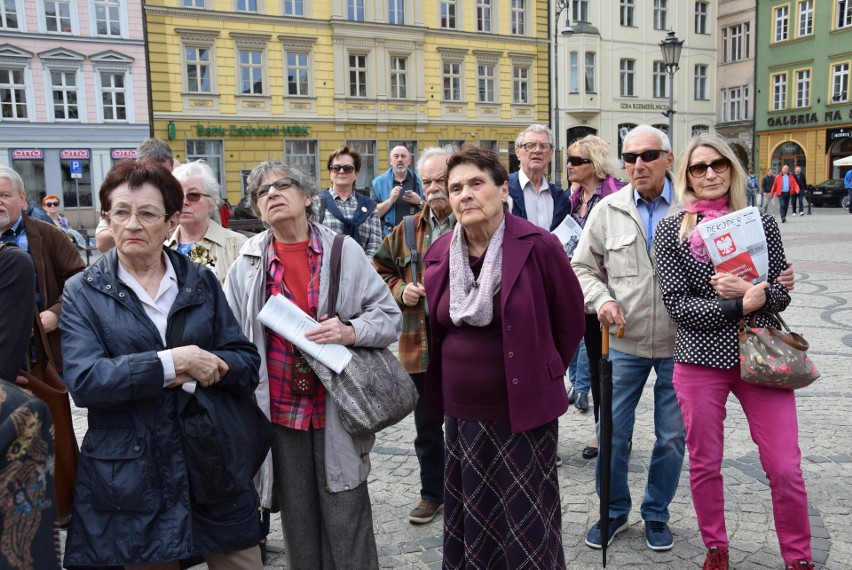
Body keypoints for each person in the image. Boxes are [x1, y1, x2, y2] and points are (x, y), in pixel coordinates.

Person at [59, 160, 264, 568]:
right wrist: (173, 363)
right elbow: (85, 381)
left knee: (242, 560)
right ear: (107, 218)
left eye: (147, 213)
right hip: (133, 473)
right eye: (121, 212)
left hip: (210, 459)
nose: (132, 224)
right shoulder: (82, 291)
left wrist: (210, 364)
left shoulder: (199, 280)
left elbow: (245, 361)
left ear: (171, 221)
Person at [224, 159, 401, 569]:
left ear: (308, 197)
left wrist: (349, 330)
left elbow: (388, 317)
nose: (271, 194)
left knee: (347, 514)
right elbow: (231, 338)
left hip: (338, 408)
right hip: (281, 412)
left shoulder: (344, 251)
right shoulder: (247, 264)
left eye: (281, 185)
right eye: (261, 192)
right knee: (299, 524)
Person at [654, 132, 815, 570]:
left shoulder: (758, 221)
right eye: (699, 167)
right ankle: (716, 549)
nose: (710, 174)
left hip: (761, 353)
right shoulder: (672, 229)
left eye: (718, 165)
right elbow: (678, 305)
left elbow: (781, 295)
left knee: (785, 467)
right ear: (686, 174)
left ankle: (799, 559)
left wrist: (753, 292)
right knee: (705, 464)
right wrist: (739, 303)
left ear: (732, 169)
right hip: (699, 361)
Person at [423, 145, 585, 568]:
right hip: (461, 417)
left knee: (525, 518)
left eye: (476, 183)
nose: (465, 195)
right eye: (455, 188)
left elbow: (569, 321)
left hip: (522, 413)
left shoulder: (537, 245)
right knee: (473, 516)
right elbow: (436, 330)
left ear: (501, 188)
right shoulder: (439, 254)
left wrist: (540, 373)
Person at [571, 125, 685, 552]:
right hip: (622, 341)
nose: (638, 164)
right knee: (612, 433)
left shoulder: (692, 209)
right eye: (630, 157)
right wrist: (600, 299)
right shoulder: (609, 209)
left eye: (649, 155)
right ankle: (613, 511)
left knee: (672, 437)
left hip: (682, 345)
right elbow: (581, 267)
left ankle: (656, 513)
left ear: (668, 160)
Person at [373, 145, 456, 525]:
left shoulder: (473, 222)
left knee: (466, 424)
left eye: (443, 180)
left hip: (464, 347)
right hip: (418, 342)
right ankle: (431, 494)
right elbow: (379, 269)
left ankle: (467, 492)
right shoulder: (407, 229)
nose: (436, 188)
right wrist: (399, 290)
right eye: (430, 181)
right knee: (426, 427)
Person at [565, 134, 627, 458]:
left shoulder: (615, 197)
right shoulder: (572, 198)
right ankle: (602, 429)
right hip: (581, 292)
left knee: (610, 366)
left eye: (577, 161)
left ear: (596, 165)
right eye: (570, 160)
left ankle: (610, 433)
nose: (570, 166)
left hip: (610, 293)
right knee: (593, 361)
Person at [0, 166, 85, 373]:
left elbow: (81, 280)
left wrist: (57, 313)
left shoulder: (49, 234)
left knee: (44, 405)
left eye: (4, 195)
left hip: (41, 351)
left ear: (22, 200)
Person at [167, 160, 247, 283]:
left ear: (212, 203)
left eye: (193, 195)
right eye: (177, 195)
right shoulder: (162, 247)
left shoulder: (238, 245)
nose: (184, 202)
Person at [96, 138, 179, 253]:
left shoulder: (180, 191)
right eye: (151, 173)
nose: (160, 180)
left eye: (165, 173)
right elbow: (102, 244)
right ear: (139, 168)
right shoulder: (123, 193)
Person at [313, 146, 383, 257]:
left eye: (348, 168)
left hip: (362, 271)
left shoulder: (369, 206)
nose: (341, 171)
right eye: (336, 168)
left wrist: (363, 268)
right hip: (326, 270)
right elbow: (312, 241)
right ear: (330, 173)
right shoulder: (316, 203)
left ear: (356, 174)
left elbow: (375, 245)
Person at [508, 124, 570, 231]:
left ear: (550, 154)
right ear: (517, 151)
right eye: (530, 145)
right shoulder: (503, 189)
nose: (537, 150)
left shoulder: (559, 197)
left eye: (544, 146)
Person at [371, 145, 425, 233]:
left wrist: (419, 201)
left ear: (409, 161)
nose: (400, 159)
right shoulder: (378, 183)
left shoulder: (421, 181)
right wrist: (390, 201)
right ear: (390, 161)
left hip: (416, 234)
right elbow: (373, 214)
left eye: (403, 156)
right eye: (396, 156)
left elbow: (432, 210)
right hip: (389, 235)